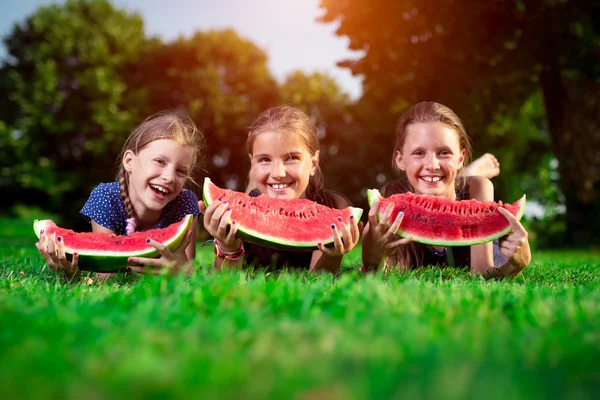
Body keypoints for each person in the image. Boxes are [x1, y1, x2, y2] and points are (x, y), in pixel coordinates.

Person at [361, 101, 531, 279]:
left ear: (460, 158)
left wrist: (515, 265)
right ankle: (468, 172)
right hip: (448, 181)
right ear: (400, 159)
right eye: (419, 153)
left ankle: (469, 173)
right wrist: (371, 259)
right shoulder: (392, 200)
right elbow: (385, 276)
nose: (432, 165)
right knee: (447, 179)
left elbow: (482, 273)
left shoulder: (479, 187)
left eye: (444, 152)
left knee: (468, 185)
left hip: (484, 233)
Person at [35, 111, 205, 278]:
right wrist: (72, 275)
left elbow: (187, 266)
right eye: (160, 162)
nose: (169, 177)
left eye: (181, 171)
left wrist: (181, 272)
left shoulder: (185, 203)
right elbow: (105, 275)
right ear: (129, 161)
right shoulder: (105, 197)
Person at [201, 105, 361, 273]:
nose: (278, 173)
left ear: (313, 163)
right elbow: (224, 285)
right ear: (252, 163)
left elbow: (317, 284)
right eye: (264, 160)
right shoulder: (236, 215)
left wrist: (332, 256)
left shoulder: (333, 206)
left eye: (292, 158)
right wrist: (229, 248)